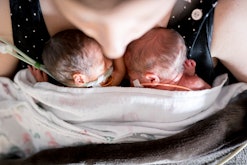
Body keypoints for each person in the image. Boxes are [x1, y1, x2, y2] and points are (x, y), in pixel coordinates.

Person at [1, 0, 247, 85]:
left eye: (138, 21)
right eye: (87, 20)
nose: (114, 51)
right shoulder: (9, 16)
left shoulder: (229, 16)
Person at [29, 29, 125, 87]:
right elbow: (120, 72)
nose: (110, 59)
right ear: (80, 79)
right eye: (103, 62)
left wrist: (43, 84)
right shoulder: (103, 85)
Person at [124, 27, 211, 91]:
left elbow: (209, 94)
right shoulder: (192, 82)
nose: (132, 81)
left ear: (152, 79)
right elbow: (209, 92)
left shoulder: (192, 83)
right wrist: (190, 74)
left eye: (132, 77)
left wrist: (190, 76)